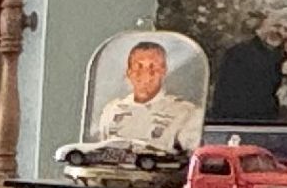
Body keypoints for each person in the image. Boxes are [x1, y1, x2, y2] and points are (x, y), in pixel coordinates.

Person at [70, 39, 204, 167]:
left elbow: (194, 159)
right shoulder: (112, 110)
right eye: (139, 66)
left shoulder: (184, 112)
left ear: (163, 71)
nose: (146, 73)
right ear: (129, 72)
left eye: (153, 67)